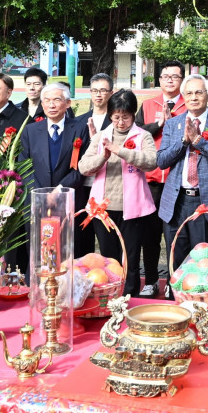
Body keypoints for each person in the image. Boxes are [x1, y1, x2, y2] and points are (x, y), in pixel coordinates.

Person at [79, 89, 158, 297]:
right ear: (110, 115)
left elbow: (151, 162)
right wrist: (102, 157)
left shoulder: (143, 136)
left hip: (132, 209)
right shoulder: (100, 137)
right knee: (109, 257)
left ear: (133, 115)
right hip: (103, 210)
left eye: (125, 117)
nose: (120, 122)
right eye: (116, 117)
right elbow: (83, 166)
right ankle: (111, 297)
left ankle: (129, 297)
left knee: (130, 257)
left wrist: (120, 150)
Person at [156, 74, 208, 278]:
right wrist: (183, 142)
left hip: (206, 201)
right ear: (183, 96)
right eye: (189, 93)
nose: (193, 97)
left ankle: (203, 302)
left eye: (199, 92)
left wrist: (199, 141)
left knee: (204, 260)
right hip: (176, 201)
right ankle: (176, 302)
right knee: (177, 258)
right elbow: (162, 160)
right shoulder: (173, 124)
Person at [18, 83, 84, 272]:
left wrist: (59, 191)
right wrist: (41, 194)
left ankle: (65, 292)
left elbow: (82, 167)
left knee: (67, 250)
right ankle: (37, 290)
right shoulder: (31, 130)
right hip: (36, 201)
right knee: (39, 249)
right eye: (46, 100)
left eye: (57, 99)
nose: (51, 104)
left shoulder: (79, 129)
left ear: (68, 103)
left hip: (68, 199)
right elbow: (24, 165)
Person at [135, 61, 186, 297]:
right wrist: (159, 124)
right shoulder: (147, 104)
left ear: (181, 79)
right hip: (151, 179)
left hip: (176, 180)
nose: (169, 80)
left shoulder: (189, 104)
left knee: (174, 235)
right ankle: (152, 280)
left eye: (174, 76)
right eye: (165, 76)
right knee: (149, 234)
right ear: (159, 79)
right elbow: (136, 135)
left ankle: (174, 281)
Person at [71, 73, 113, 256]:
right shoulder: (79, 121)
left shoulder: (116, 121)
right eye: (95, 90)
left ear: (111, 93)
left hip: (106, 186)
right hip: (82, 186)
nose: (99, 94)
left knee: (108, 239)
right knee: (81, 238)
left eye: (103, 90)